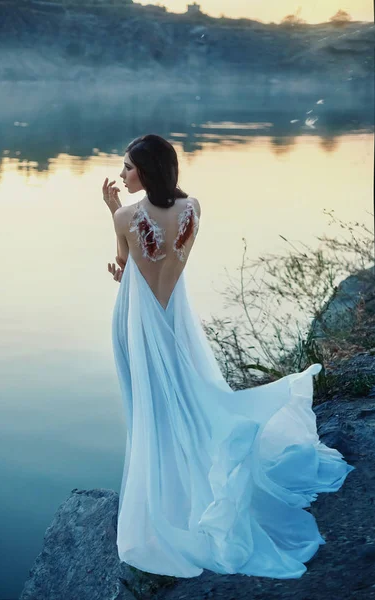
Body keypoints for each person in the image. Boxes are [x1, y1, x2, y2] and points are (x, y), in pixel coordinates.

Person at [102, 134, 355, 580]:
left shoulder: (125, 215)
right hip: (176, 315)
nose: (122, 175)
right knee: (186, 387)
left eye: (127, 167)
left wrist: (112, 212)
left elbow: (127, 268)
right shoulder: (192, 208)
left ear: (146, 170)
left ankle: (165, 492)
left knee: (152, 401)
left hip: (140, 321)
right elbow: (165, 267)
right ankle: (187, 472)